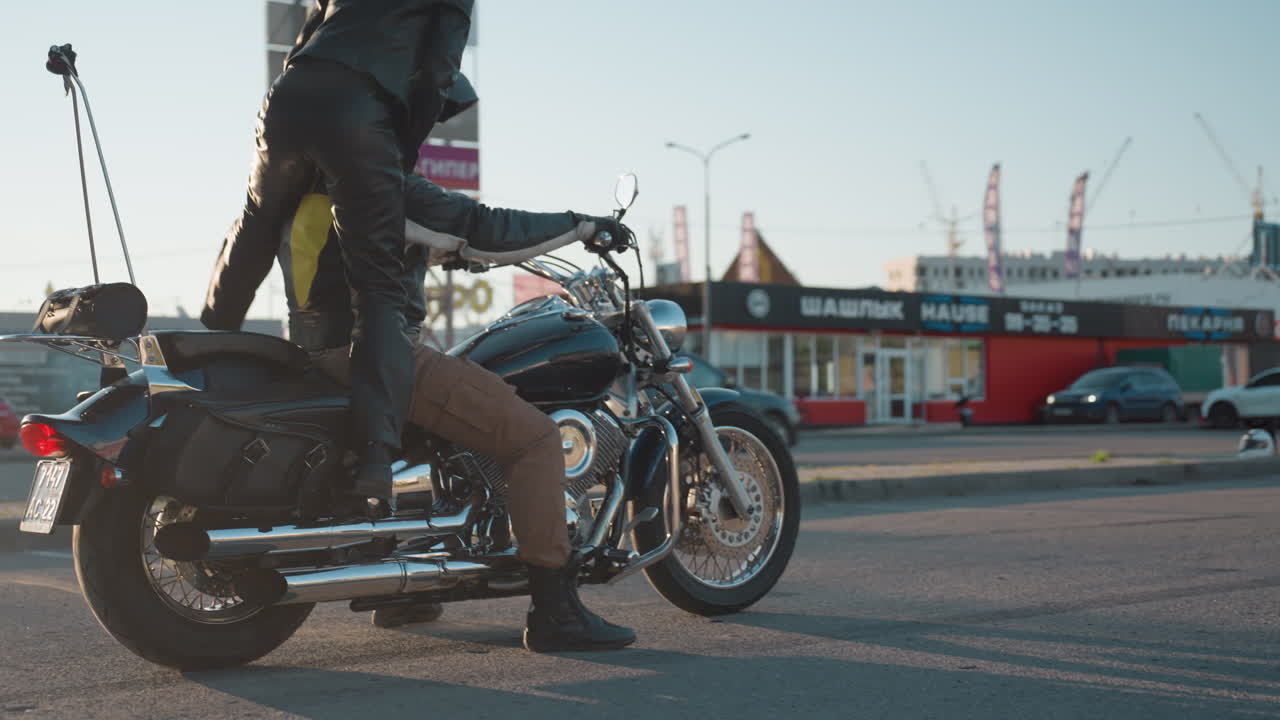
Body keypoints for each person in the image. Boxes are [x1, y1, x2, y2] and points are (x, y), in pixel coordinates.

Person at [202, 2, 636, 652]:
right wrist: (581, 224)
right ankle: (556, 611)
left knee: (442, 436)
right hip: (368, 353)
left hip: (314, 347)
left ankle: (409, 594)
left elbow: (336, 243)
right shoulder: (383, 175)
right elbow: (480, 229)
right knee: (535, 441)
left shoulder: (303, 174)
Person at [203, 0, 477, 518]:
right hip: (359, 105)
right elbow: (440, 69)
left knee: (256, 223)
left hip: (289, 95)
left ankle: (202, 355)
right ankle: (377, 459)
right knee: (377, 284)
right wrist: (399, 152)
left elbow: (307, 32)